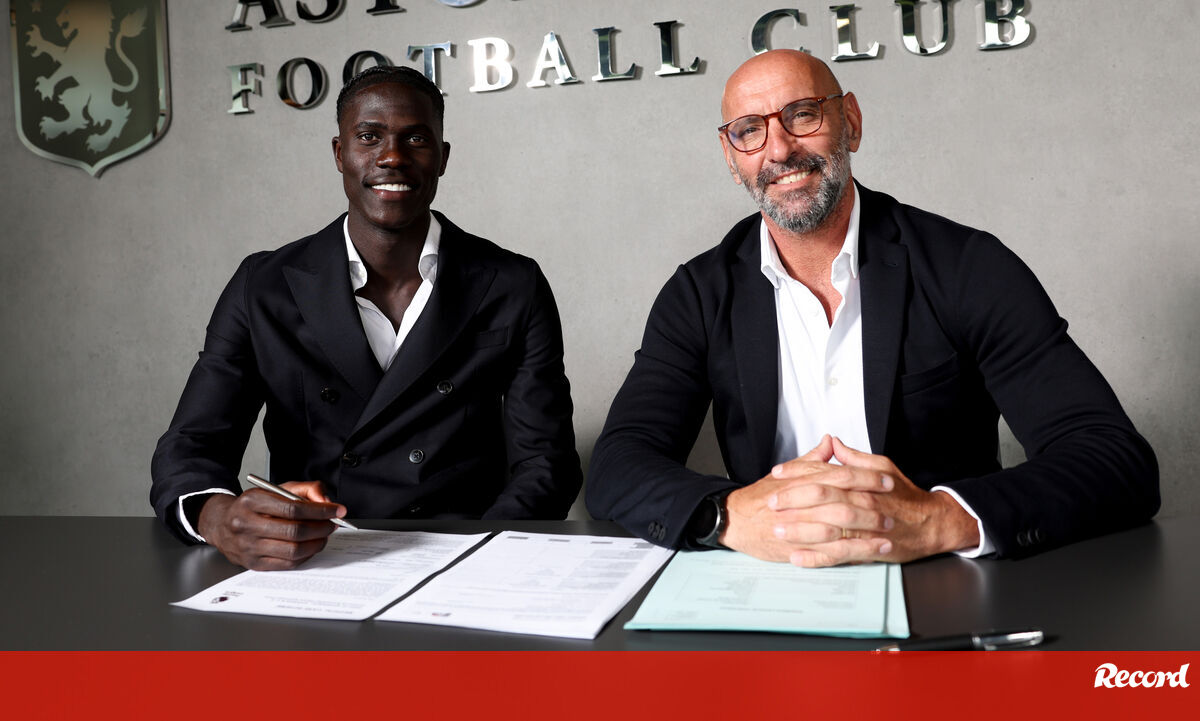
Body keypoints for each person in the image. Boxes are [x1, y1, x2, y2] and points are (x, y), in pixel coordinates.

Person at [586, 50, 1158, 567]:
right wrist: (728, 516)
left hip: (943, 586)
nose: (779, 149)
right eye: (749, 131)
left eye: (803, 114)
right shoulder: (697, 294)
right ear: (732, 158)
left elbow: (1113, 459)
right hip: (772, 587)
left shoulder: (967, 266)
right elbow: (618, 465)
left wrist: (938, 519)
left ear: (851, 122)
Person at [151, 66, 581, 570]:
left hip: (467, 557)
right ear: (340, 154)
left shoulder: (512, 283)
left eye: (416, 138)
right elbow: (193, 444)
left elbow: (545, 463)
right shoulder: (263, 285)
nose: (392, 156)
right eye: (369, 137)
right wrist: (218, 517)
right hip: (317, 557)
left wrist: (479, 558)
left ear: (443, 158)